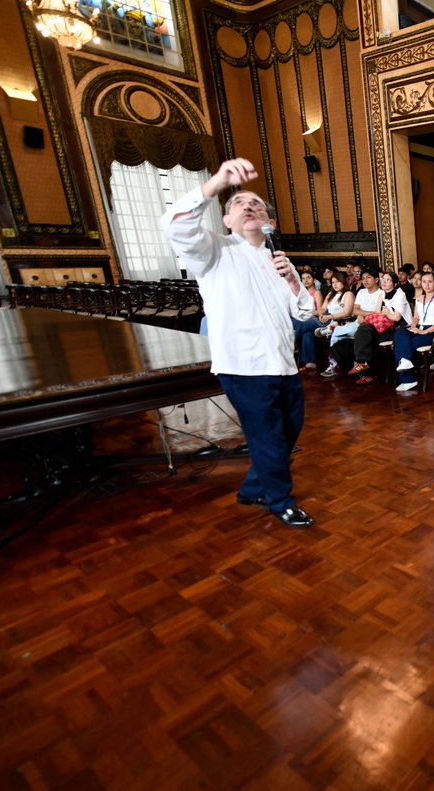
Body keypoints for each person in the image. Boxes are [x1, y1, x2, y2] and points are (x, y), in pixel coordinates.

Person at [161, 157, 315, 528]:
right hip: (244, 366)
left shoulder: (279, 260)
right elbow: (176, 227)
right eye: (237, 204)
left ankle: (251, 488)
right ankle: (280, 501)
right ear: (226, 220)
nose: (247, 206)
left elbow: (306, 313)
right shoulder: (214, 252)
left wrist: (293, 283)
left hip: (282, 363)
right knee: (268, 439)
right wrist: (216, 184)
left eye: (255, 204)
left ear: (269, 221)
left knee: (289, 430)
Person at [346, 271, 410, 381]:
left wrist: (386, 313)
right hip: (385, 327)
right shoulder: (382, 294)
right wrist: (381, 314)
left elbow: (396, 318)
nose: (384, 282)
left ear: (395, 284)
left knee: (367, 338)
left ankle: (367, 371)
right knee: (363, 330)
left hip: (399, 330)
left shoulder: (400, 294)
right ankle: (363, 363)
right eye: (383, 279)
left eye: (388, 280)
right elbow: (377, 314)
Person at [393, 271, 434, 392]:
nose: (427, 285)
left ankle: (408, 380)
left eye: (430, 282)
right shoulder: (419, 299)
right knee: (399, 333)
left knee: (408, 345)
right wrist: (413, 326)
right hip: (419, 328)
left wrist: (425, 331)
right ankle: (406, 363)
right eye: (424, 282)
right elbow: (416, 318)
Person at [326, 269, 384, 378]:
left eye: (368, 278)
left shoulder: (381, 293)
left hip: (371, 326)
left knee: (339, 333)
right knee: (337, 343)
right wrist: (368, 314)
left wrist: (366, 315)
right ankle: (338, 367)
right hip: (358, 323)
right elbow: (355, 310)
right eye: (363, 278)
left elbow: (378, 314)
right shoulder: (362, 292)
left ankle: (362, 370)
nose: (365, 280)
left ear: (376, 280)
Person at [293, 271, 324, 371]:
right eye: (303, 278)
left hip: (314, 320)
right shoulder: (302, 294)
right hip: (304, 320)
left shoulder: (317, 293)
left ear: (314, 279)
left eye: (308, 278)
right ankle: (310, 362)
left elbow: (319, 311)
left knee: (294, 324)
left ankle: (290, 344)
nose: (305, 280)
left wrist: (305, 313)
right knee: (307, 335)